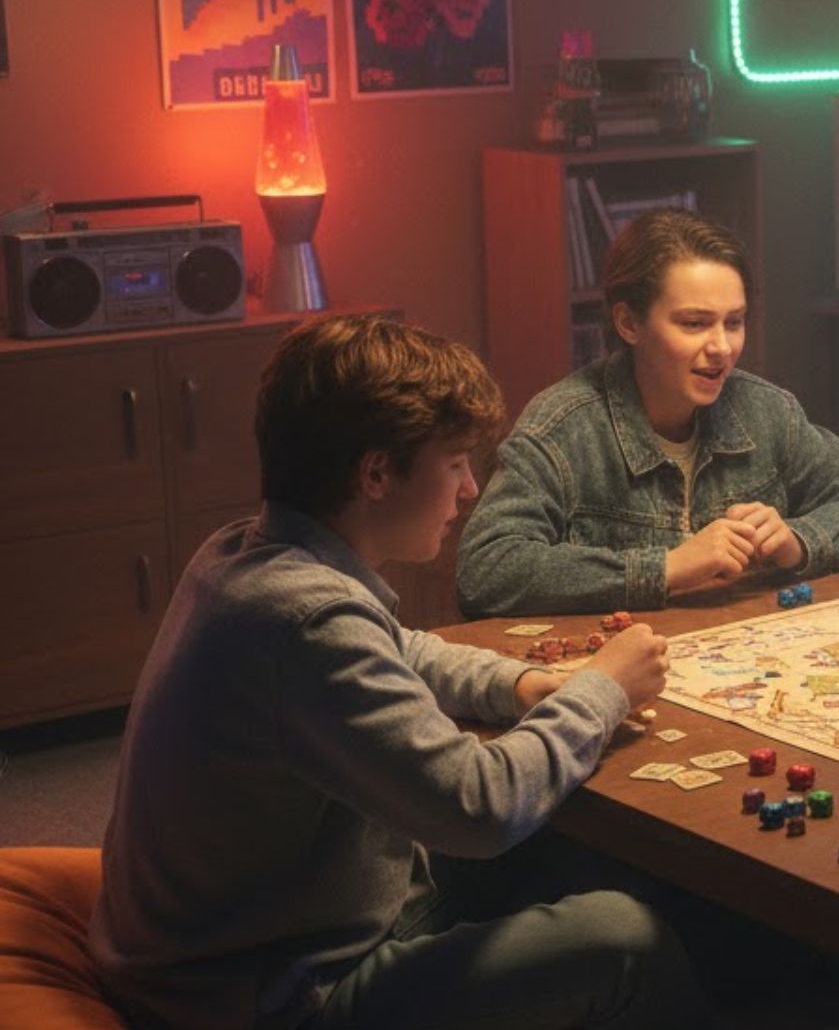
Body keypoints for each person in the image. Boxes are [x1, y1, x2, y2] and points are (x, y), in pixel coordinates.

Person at [89, 316, 706, 1029]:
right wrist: (604, 687)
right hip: (269, 995)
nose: (471, 488)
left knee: (560, 849)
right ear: (377, 473)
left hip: (254, 934)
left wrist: (519, 684)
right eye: (455, 463)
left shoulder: (245, 554)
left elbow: (398, 647)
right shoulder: (308, 623)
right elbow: (480, 807)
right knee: (625, 937)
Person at [458, 208, 839, 617]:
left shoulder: (766, 409)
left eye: (734, 322)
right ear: (629, 323)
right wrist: (666, 568)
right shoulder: (563, 426)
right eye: (694, 324)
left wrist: (798, 541)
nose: (721, 348)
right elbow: (487, 570)